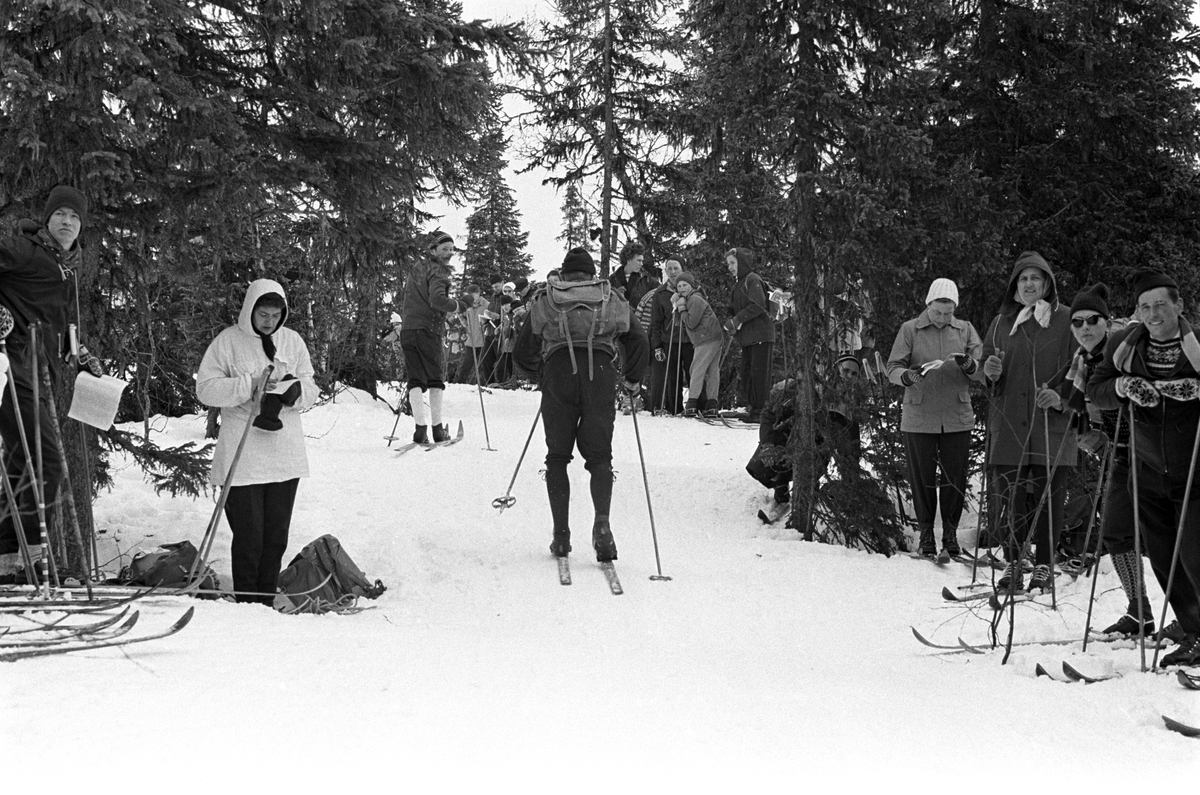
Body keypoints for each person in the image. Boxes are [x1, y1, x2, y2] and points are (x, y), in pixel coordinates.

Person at [1088, 269, 1200, 665]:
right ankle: (1194, 629)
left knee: (1195, 555)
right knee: (1166, 558)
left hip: (1194, 470)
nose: (1154, 314)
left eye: (1161, 305)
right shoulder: (1124, 345)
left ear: (1179, 305)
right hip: (1147, 469)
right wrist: (1122, 387)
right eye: (1145, 306)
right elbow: (1095, 389)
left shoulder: (1197, 345)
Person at [513, 247, 649, 562]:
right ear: (590, 274)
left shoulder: (547, 297)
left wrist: (541, 374)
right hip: (600, 374)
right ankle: (602, 527)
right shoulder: (610, 295)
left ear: (564, 273)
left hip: (559, 371)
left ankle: (561, 536)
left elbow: (522, 352)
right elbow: (638, 339)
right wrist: (631, 379)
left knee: (557, 457)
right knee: (600, 457)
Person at [0, 186, 100, 584]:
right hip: (12, 369)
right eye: (59, 214)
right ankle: (31, 561)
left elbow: (60, 325)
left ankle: (11, 560)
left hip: (39, 373)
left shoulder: (67, 268)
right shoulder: (25, 250)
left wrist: (82, 353)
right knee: (47, 461)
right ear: (46, 219)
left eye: (74, 217)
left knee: (22, 462)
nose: (66, 222)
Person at [197, 279, 318, 604]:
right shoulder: (228, 342)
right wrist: (248, 386)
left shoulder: (292, 341)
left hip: (284, 455)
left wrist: (296, 393)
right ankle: (249, 602)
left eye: (275, 315)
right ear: (250, 309)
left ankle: (265, 601)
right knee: (250, 536)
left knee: (275, 537)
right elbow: (205, 388)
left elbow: (311, 385)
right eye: (263, 314)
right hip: (243, 453)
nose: (269, 321)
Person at [981, 251, 1078, 593]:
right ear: (1014, 286)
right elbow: (987, 373)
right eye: (1023, 279)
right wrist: (989, 373)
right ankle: (1014, 561)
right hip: (1009, 424)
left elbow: (1080, 370)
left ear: (1047, 283)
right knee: (1011, 497)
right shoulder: (1001, 323)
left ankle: (1043, 566)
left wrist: (1062, 399)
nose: (1029, 284)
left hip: (1049, 425)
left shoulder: (1066, 320)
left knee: (1050, 497)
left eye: (1035, 278)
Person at [1061, 283, 1154, 637]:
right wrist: (1095, 439)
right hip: (1122, 454)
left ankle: (1190, 619)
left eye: (1093, 320)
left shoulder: (1125, 349)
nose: (1085, 327)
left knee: (1166, 537)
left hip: (1155, 452)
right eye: (1077, 322)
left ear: (1106, 320)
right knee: (1116, 531)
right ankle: (1139, 611)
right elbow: (1086, 409)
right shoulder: (1083, 361)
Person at [885, 278, 984, 560]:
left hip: (956, 414)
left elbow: (982, 372)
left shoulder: (965, 330)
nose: (942, 318)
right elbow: (893, 366)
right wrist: (906, 376)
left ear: (954, 308)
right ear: (928, 305)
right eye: (937, 312)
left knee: (955, 477)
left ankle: (950, 535)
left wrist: (969, 365)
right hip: (920, 414)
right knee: (923, 478)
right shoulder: (910, 330)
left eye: (948, 312)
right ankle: (926, 534)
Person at [400, 230, 472, 442]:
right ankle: (437, 430)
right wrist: (460, 305)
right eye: (444, 249)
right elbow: (437, 300)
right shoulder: (438, 270)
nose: (449, 253)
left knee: (414, 379)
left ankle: (419, 430)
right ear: (433, 250)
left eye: (451, 249)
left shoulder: (417, 268)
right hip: (428, 329)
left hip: (408, 329)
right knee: (434, 378)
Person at [725, 247, 775, 422]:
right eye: (728, 264)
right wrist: (730, 320)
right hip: (748, 338)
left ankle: (760, 411)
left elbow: (758, 305)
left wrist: (738, 319)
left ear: (742, 262)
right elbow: (731, 308)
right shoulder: (738, 284)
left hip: (760, 334)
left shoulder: (752, 279)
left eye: (732, 263)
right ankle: (755, 408)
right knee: (747, 374)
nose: (730, 267)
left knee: (758, 374)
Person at [672, 272, 722, 418]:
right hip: (713, 336)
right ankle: (712, 405)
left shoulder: (694, 299)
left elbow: (691, 322)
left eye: (685, 285)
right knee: (712, 370)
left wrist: (681, 309)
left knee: (697, 369)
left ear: (691, 285)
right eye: (679, 286)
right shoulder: (693, 298)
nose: (682, 288)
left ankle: (692, 403)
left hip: (705, 337)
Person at [648, 256, 693, 415]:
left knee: (693, 373)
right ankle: (674, 407)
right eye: (670, 269)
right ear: (665, 271)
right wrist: (657, 346)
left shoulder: (694, 289)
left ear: (683, 270)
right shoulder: (660, 293)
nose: (673, 272)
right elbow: (656, 323)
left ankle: (695, 406)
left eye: (676, 269)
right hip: (670, 340)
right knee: (672, 377)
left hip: (690, 339)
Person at [452, 284, 495, 384]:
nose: (470, 297)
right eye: (469, 295)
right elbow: (460, 314)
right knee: (466, 365)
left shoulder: (486, 305)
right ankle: (459, 384)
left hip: (483, 340)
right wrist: (465, 325)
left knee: (485, 365)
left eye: (473, 295)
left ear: (478, 294)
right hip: (471, 340)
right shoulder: (467, 305)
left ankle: (490, 384)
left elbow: (491, 320)